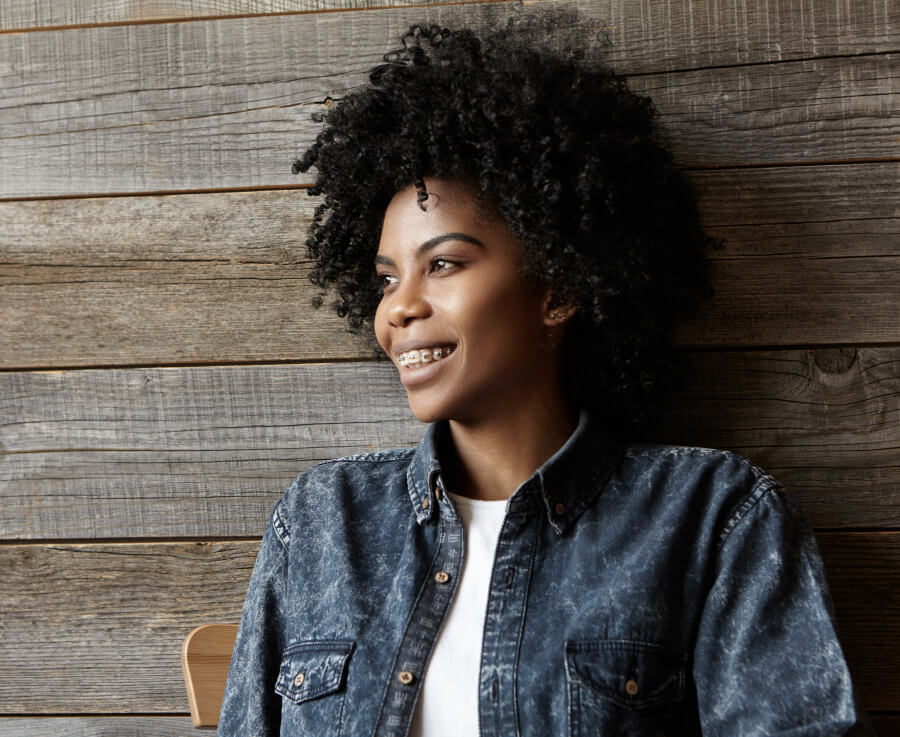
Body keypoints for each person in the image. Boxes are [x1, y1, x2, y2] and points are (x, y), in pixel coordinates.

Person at [217, 13, 872, 737]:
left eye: (443, 264)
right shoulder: (317, 522)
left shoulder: (715, 519)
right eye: (385, 278)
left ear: (559, 286)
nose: (398, 308)